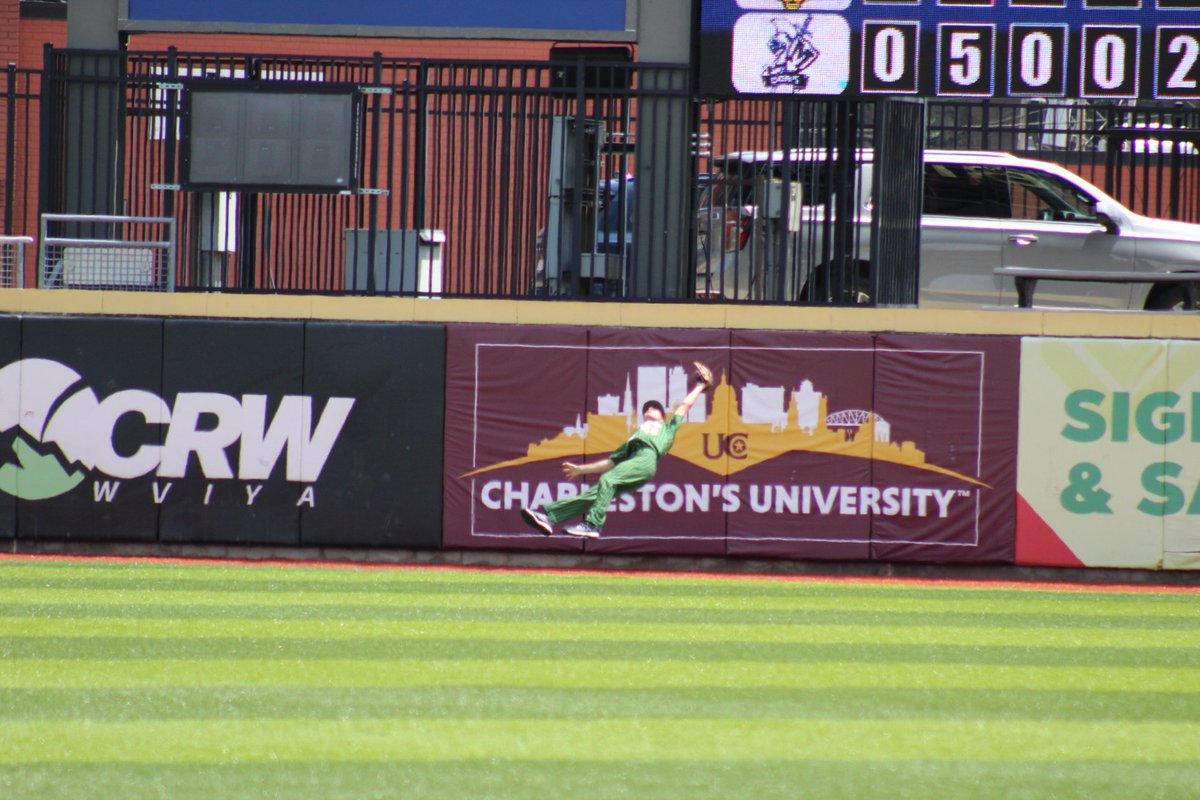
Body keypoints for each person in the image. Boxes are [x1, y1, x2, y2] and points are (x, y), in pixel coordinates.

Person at [521, 363, 714, 539]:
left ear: (662, 416)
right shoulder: (635, 436)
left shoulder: (667, 427)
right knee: (593, 495)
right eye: (647, 408)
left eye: (655, 408)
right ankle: (549, 516)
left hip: (647, 459)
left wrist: (700, 385)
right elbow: (610, 463)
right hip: (636, 461)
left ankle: (593, 524)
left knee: (608, 479)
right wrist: (581, 470)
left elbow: (684, 405)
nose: (650, 409)